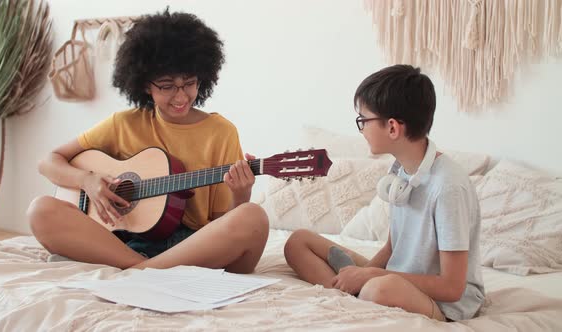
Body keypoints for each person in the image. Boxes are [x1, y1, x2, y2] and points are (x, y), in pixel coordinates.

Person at [28, 8, 269, 273]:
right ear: (145, 85)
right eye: (167, 86)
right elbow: (48, 162)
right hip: (117, 239)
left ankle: (138, 268)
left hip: (190, 244)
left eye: (189, 83)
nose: (180, 96)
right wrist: (88, 180)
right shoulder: (124, 123)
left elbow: (223, 223)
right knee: (40, 210)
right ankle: (146, 267)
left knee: (252, 217)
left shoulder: (221, 132)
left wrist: (241, 193)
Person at [284, 65, 484, 321]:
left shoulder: (448, 187)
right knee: (298, 242)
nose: (361, 129)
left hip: (442, 302)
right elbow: (392, 247)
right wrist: (362, 273)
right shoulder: (401, 172)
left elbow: (452, 287)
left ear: (392, 128)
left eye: (363, 121)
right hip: (397, 277)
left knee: (379, 288)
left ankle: (355, 295)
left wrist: (371, 275)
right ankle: (351, 292)